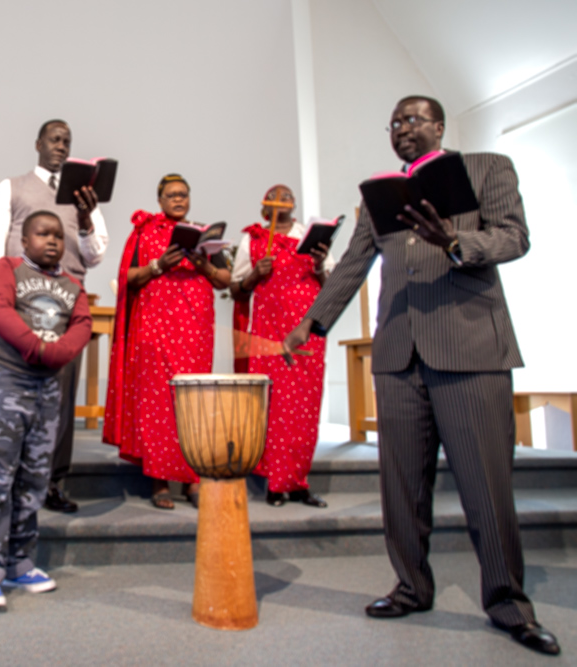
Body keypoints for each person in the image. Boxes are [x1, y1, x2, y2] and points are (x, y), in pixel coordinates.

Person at [283, 96, 559, 655]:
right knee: (401, 484)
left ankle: (508, 603)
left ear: (439, 125)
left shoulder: (487, 169)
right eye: (394, 123)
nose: (402, 128)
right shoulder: (379, 197)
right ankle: (411, 586)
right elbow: (353, 266)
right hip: (398, 354)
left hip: (470, 351)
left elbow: (514, 236)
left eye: (413, 119)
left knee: (485, 483)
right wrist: (310, 324)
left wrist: (456, 243)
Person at [0, 119, 109, 513]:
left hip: (66, 303)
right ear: (37, 143)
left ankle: (53, 481)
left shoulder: (83, 196)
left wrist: (86, 219)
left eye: (67, 141)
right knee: (14, 390)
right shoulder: (12, 186)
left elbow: (96, 253)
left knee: (60, 398)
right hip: (20, 300)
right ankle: (9, 477)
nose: (60, 146)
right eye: (54, 139)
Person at [0, 211, 92, 608]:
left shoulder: (73, 285)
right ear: (24, 240)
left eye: (58, 235)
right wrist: (35, 347)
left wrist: (60, 352)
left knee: (35, 476)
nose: (52, 241)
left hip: (47, 387)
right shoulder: (7, 269)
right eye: (43, 233)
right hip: (5, 380)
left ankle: (19, 560)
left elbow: (82, 324)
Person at [103, 174, 230, 510]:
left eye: (184, 194)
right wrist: (159, 265)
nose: (178, 199)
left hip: (195, 326)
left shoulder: (204, 233)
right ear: (159, 200)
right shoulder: (144, 232)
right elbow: (127, 277)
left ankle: (191, 480)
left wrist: (202, 262)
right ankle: (159, 481)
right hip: (155, 325)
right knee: (158, 399)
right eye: (172, 195)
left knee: (193, 400)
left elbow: (225, 279)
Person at [230, 185, 334, 507]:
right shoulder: (254, 240)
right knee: (275, 407)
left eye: (287, 195)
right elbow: (236, 290)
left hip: (306, 329)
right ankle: (276, 483)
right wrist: (254, 277)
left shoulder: (311, 237)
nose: (282, 199)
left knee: (305, 406)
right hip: (269, 330)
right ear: (265, 207)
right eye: (275, 196)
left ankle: (299, 481)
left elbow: (334, 287)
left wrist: (318, 267)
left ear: (294, 204)